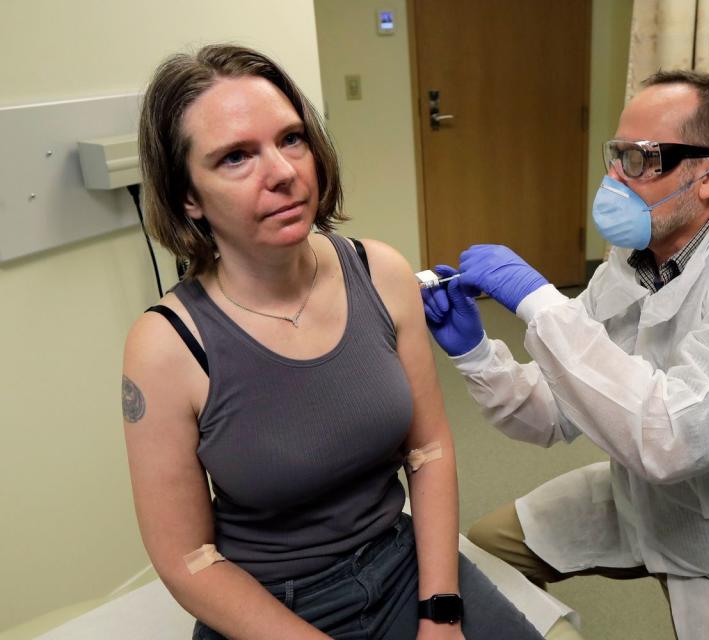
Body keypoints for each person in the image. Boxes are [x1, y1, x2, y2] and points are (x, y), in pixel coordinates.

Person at [422, 70, 709, 640]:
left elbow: (676, 437)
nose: (614, 176)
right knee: (487, 555)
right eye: (615, 155)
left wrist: (543, 306)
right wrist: (477, 354)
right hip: (653, 501)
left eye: (641, 159)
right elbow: (553, 413)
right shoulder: (631, 262)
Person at [121, 44, 543, 640]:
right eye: (236, 157)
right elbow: (187, 560)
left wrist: (441, 612)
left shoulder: (382, 274)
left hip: (402, 565)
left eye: (291, 139)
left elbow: (430, 450)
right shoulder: (166, 346)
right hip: (270, 607)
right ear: (188, 196)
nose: (283, 172)